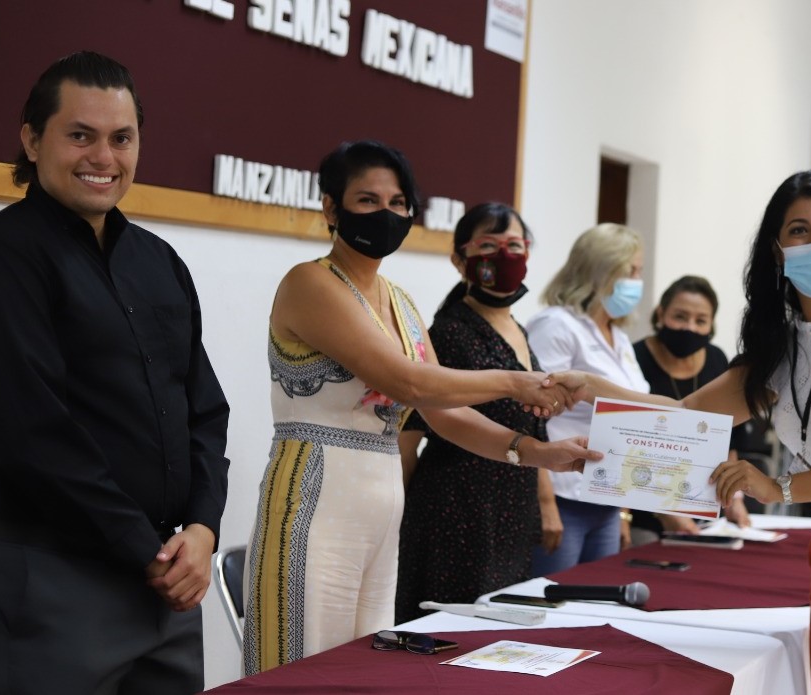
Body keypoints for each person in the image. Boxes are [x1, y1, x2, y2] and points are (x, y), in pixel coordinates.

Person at [548, 170, 811, 695]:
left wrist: (778, 487)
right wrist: (592, 388)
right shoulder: (779, 346)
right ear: (778, 250)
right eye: (799, 230)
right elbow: (687, 412)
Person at [243, 142, 596, 675]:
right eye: (367, 200)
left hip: (383, 510)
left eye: (398, 202)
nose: (385, 214)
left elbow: (444, 415)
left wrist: (536, 453)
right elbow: (408, 382)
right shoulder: (309, 282)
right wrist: (514, 383)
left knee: (365, 676)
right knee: (299, 675)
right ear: (332, 207)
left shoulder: (402, 303)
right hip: (314, 501)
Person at [0, 52, 231, 694]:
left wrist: (203, 528)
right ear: (31, 140)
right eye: (80, 135)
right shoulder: (7, 256)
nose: (103, 156)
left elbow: (205, 409)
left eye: (121, 138)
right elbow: (31, 433)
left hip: (167, 582)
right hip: (52, 581)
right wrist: (142, 549)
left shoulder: (159, 261)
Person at [395, 202, 546, 623]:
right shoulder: (449, 332)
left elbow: (532, 423)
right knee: (455, 628)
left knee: (503, 628)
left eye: (514, 245)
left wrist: (545, 503)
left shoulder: (519, 328)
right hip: (457, 507)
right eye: (489, 246)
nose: (504, 256)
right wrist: (399, 518)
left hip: (512, 503)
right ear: (460, 259)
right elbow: (408, 436)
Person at [525, 223, 650, 576]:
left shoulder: (618, 336)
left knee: (594, 600)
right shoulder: (556, 325)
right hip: (562, 496)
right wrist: (544, 502)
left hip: (606, 497)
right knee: (552, 599)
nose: (637, 281)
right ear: (600, 270)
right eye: (631, 271)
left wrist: (624, 510)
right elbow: (530, 416)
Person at [629, 275, 754, 545]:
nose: (689, 328)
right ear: (660, 314)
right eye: (680, 316)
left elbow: (730, 438)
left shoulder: (717, 360)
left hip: (704, 509)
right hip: (642, 510)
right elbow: (627, 447)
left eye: (701, 321)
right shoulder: (634, 359)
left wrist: (734, 499)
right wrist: (661, 511)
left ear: (711, 325)